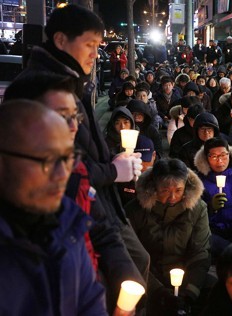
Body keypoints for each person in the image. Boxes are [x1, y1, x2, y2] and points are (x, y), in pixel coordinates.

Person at [10, 5, 149, 311]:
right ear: (60, 40)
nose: (95, 54)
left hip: (95, 203)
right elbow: (63, 165)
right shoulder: (42, 90)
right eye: (89, 45)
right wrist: (112, 171)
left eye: (98, 46)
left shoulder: (72, 83)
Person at [0, 100, 107, 314]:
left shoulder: (68, 223)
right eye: (46, 160)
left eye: (67, 158)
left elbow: (90, 301)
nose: (62, 175)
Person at [126, 159, 212, 315]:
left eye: (178, 190)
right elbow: (131, 257)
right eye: (165, 190)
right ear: (153, 188)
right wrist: (158, 292)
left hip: (186, 276)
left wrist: (189, 292)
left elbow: (200, 252)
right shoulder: (136, 210)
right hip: (148, 277)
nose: (172, 196)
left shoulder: (198, 209)